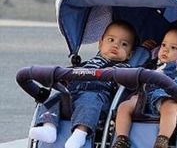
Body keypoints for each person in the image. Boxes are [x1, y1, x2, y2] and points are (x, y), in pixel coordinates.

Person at [28, 20, 137, 148]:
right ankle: (49, 127)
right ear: (100, 43)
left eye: (124, 44)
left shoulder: (125, 68)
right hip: (73, 94)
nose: (116, 46)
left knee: (89, 100)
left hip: (99, 98)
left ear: (130, 54)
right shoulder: (86, 64)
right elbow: (69, 75)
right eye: (111, 40)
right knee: (55, 98)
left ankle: (80, 133)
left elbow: (130, 84)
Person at [112, 27, 177, 148]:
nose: (165, 50)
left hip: (167, 98)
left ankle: (162, 138)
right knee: (124, 106)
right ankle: (122, 138)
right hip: (145, 98)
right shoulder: (155, 65)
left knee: (171, 107)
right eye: (164, 45)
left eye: (173, 48)